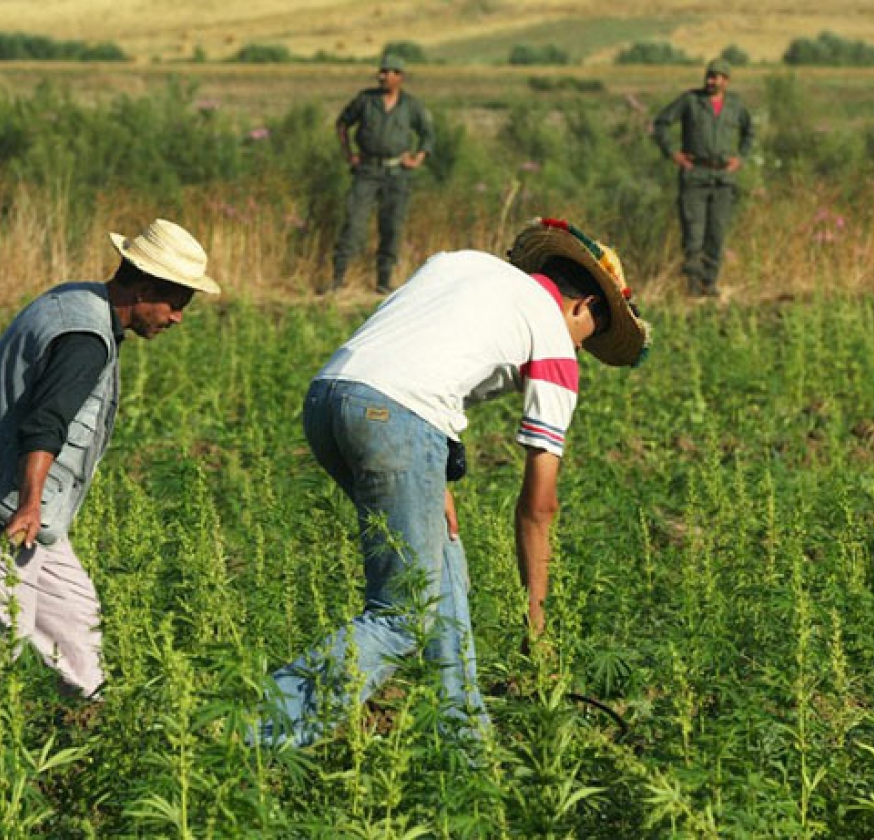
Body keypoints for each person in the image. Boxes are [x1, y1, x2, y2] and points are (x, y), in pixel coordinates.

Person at [257, 218, 650, 747]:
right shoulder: (555, 338)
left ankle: (466, 743)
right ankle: (247, 734)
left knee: (444, 571)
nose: (581, 351)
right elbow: (539, 506)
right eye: (590, 338)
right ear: (585, 309)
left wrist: (433, 472)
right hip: (396, 418)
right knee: (401, 615)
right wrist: (536, 624)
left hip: (330, 398)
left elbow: (411, 352)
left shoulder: (461, 265)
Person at [0, 220, 220, 698]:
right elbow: (45, 424)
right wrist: (30, 504)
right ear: (143, 290)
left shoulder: (78, 301)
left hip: (20, 499)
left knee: (75, 616)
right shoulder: (85, 339)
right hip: (4, 500)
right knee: (2, 631)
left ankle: (94, 715)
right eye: (176, 304)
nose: (178, 318)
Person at [331, 51, 435, 295]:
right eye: (382, 71)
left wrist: (418, 157)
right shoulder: (365, 100)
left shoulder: (411, 105)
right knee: (354, 223)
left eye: (389, 72)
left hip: (397, 172)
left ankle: (383, 282)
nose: (383, 76)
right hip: (366, 170)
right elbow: (342, 124)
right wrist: (349, 153)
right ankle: (338, 280)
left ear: (400, 77)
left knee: (392, 225)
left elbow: (428, 134)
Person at [652, 58, 755, 297]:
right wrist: (673, 153)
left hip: (723, 178)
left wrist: (740, 158)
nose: (711, 81)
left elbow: (750, 132)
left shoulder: (736, 107)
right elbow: (661, 123)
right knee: (693, 233)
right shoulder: (690, 101)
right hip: (695, 175)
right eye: (709, 76)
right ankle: (692, 287)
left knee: (716, 233)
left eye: (717, 77)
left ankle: (709, 285)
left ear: (726, 81)